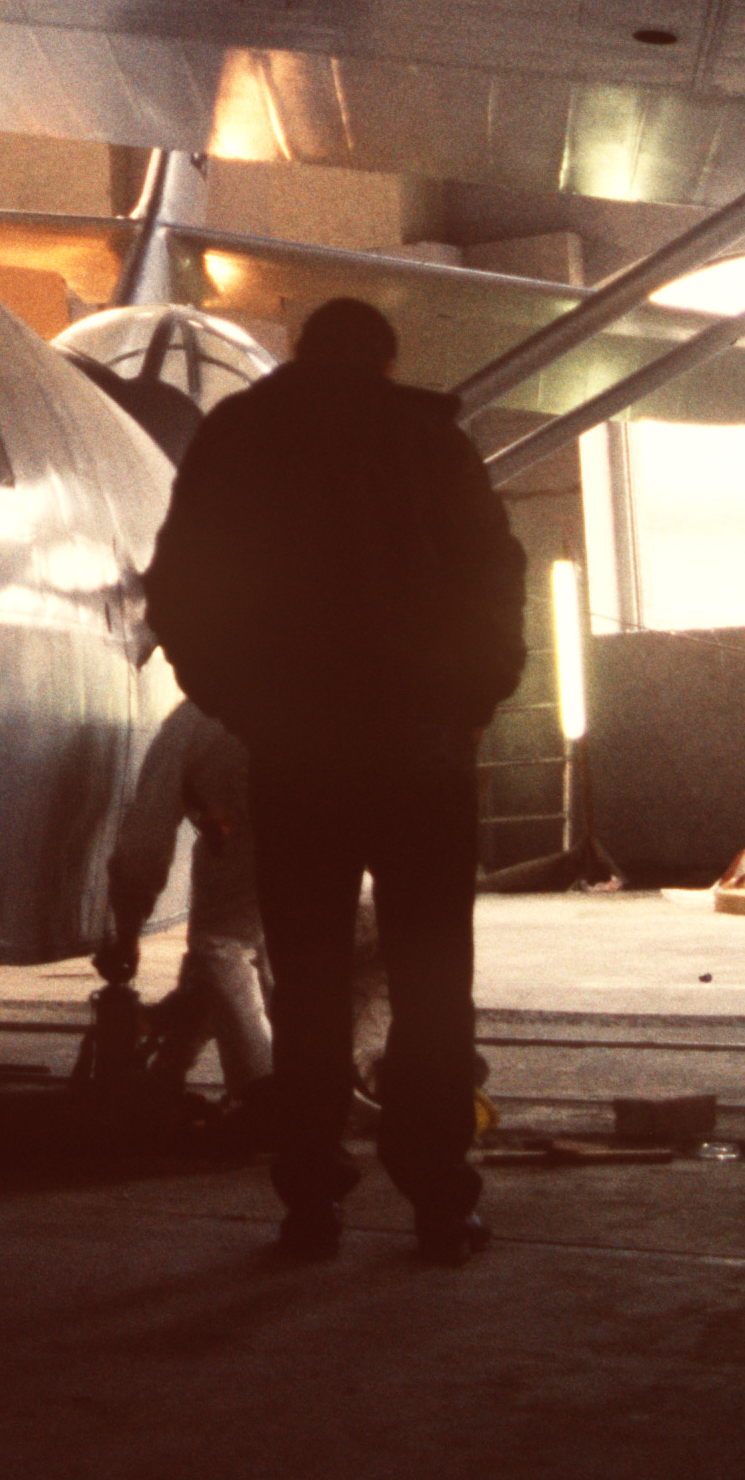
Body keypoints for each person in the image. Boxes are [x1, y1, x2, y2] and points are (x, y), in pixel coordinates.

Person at [144, 296, 525, 1266]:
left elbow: (180, 588)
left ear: (300, 353)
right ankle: (440, 1199)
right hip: (420, 753)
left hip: (299, 753)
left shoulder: (240, 437)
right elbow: (495, 576)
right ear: (382, 359)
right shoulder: (430, 441)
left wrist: (240, 706)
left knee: (305, 982)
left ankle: (309, 1200)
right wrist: (472, 702)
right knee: (433, 984)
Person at [99, 698, 275, 1147]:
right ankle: (322, 1092)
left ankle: (265, 1100)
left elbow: (147, 835)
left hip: (256, 834)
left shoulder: (195, 719)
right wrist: (171, 1061)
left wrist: (127, 930)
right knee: (255, 953)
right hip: (355, 865)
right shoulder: (306, 693)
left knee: (222, 945)